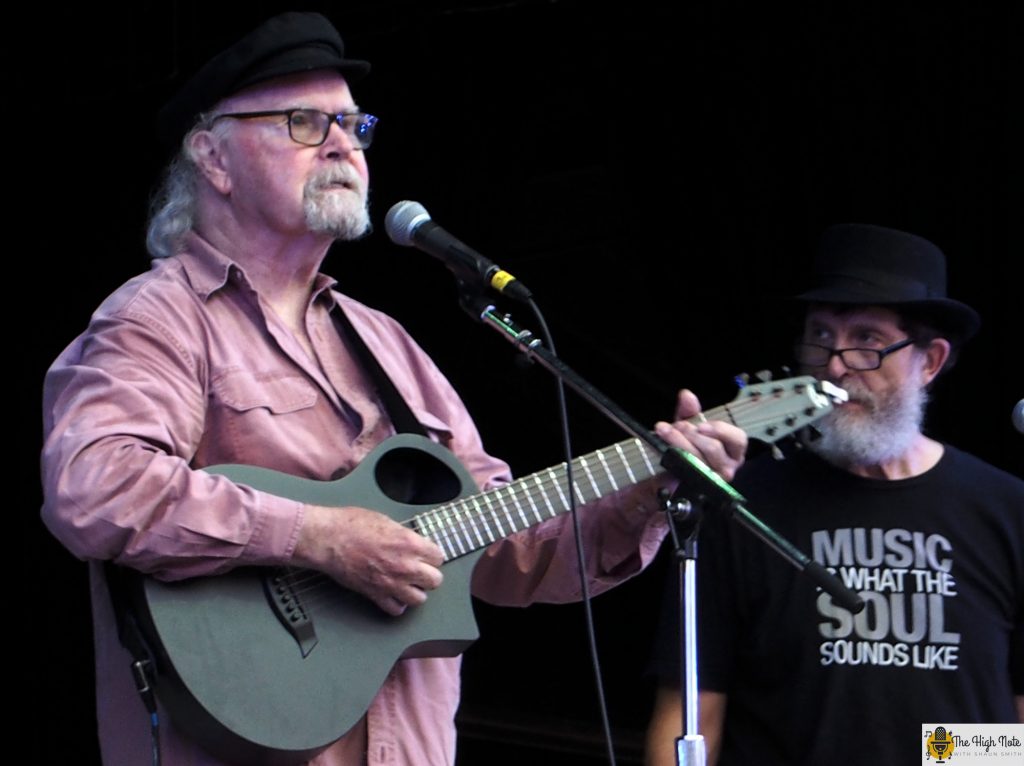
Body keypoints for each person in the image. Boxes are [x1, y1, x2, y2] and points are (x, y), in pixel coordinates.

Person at [39, 12, 747, 766]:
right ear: (213, 157)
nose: (344, 143)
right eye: (305, 122)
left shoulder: (387, 345)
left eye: (352, 123)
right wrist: (319, 539)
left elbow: (511, 552)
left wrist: (641, 498)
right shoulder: (160, 318)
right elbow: (96, 487)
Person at [645, 223, 1024, 766]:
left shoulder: (1008, 509)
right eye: (821, 335)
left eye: (867, 340)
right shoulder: (740, 503)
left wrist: (933, 751)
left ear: (931, 361)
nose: (837, 362)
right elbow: (689, 713)